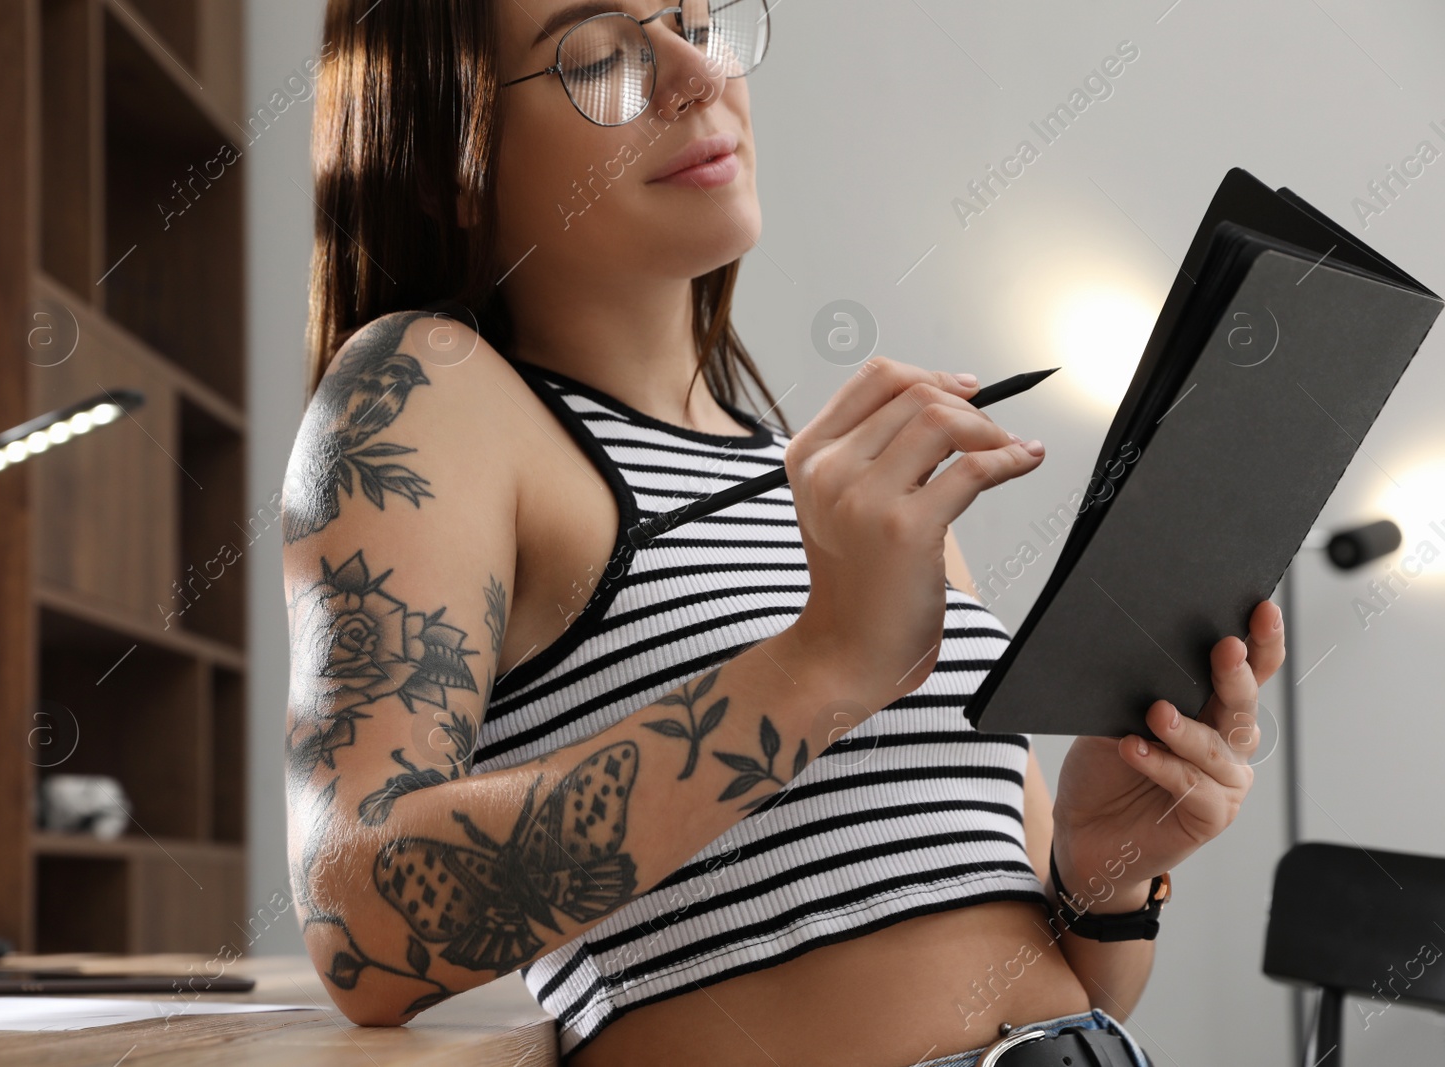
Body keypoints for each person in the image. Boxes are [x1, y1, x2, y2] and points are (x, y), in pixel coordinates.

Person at [280, 2, 1287, 1064]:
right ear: (449, 154)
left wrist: (1105, 866)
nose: (692, 74)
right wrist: (825, 660)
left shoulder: (846, 501)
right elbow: (361, 934)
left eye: (692, 18)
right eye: (599, 58)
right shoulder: (425, 386)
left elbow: (1085, 984)